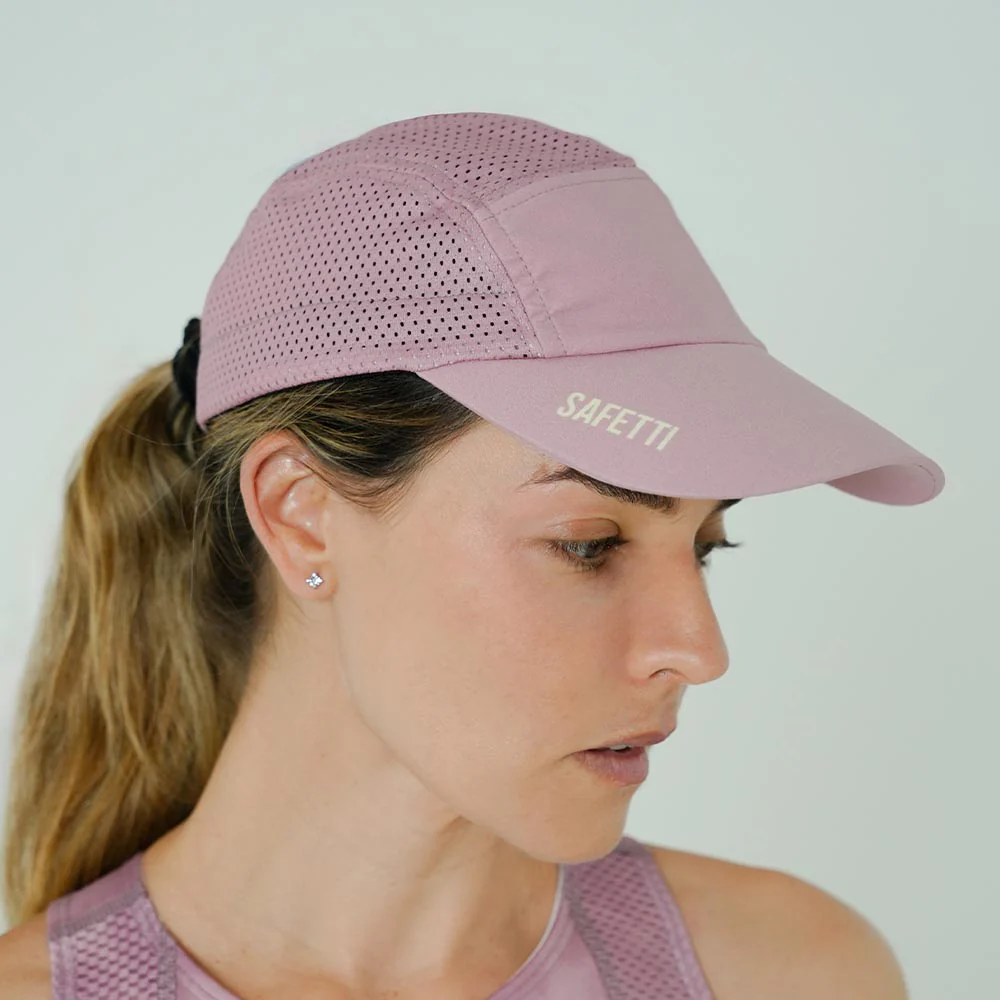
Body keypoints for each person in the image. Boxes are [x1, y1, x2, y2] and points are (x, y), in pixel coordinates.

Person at [0, 112, 940, 999]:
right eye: (588, 545)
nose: (699, 650)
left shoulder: (788, 973)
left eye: (704, 547)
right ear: (301, 513)